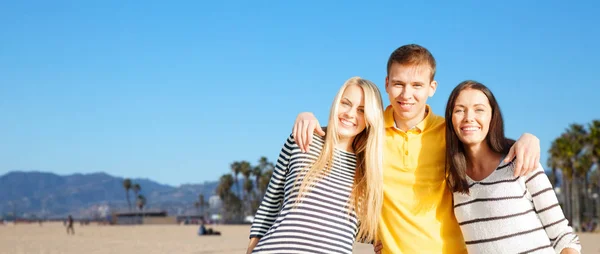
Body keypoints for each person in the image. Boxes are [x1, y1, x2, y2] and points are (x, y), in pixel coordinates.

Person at [293, 44, 542, 253]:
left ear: (432, 88)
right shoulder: (370, 131)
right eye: (399, 84)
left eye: (417, 85)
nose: (406, 94)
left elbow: (488, 144)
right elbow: (340, 130)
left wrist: (529, 138)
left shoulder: (450, 133)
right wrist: (306, 116)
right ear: (387, 84)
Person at [246, 77, 386, 254]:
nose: (350, 114)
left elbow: (354, 227)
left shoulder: (368, 169)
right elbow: (270, 205)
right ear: (336, 103)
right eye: (346, 103)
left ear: (371, 119)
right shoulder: (304, 139)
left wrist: (381, 240)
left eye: (361, 110)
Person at [446, 80, 581, 253]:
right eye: (459, 110)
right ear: (450, 118)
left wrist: (530, 137)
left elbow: (563, 237)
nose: (469, 117)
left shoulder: (521, 161)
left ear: (492, 116)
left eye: (479, 109)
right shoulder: (452, 177)